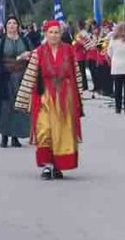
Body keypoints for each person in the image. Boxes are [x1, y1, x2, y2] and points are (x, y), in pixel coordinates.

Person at [15, 20, 84, 180]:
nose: (54, 35)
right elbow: (30, 75)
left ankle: (58, 165)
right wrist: (23, 100)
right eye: (51, 32)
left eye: (56, 32)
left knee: (62, 132)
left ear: (61, 34)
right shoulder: (38, 52)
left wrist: (79, 98)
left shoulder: (69, 51)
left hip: (65, 97)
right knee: (44, 129)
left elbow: (76, 75)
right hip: (44, 96)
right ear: (45, 34)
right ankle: (47, 165)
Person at [0, 17, 33, 148]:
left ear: (18, 26)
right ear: (5, 26)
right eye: (9, 23)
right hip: (6, 77)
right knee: (5, 106)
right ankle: (4, 136)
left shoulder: (24, 40)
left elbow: (33, 55)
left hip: (22, 77)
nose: (12, 25)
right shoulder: (1, 42)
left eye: (14, 23)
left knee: (19, 106)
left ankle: (16, 136)